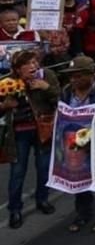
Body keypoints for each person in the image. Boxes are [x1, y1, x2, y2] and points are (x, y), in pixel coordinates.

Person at [0, 49, 59, 229]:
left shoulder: (47, 75)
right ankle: (15, 210)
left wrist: (46, 88)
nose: (34, 66)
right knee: (18, 172)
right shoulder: (6, 82)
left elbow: (60, 99)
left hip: (43, 130)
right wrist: (4, 106)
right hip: (19, 134)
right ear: (18, 69)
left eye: (35, 62)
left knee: (43, 168)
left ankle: (43, 200)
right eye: (28, 64)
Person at [60, 55, 95, 233]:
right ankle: (83, 214)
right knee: (79, 178)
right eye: (71, 76)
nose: (73, 80)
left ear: (90, 74)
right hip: (77, 142)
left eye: (78, 75)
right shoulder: (67, 91)